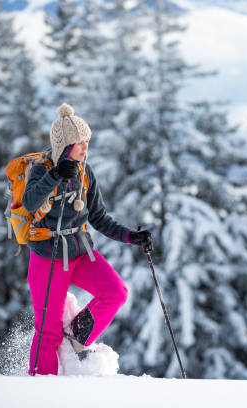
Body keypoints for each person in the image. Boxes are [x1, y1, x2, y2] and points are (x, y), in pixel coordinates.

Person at [22, 103, 152, 376]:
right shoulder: (41, 169)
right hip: (47, 258)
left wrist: (132, 236)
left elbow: (100, 218)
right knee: (47, 332)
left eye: (86, 141)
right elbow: (30, 202)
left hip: (81, 254)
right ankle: (39, 390)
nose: (84, 147)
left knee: (116, 292)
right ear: (64, 146)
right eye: (78, 143)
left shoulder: (84, 172)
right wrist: (54, 176)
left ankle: (74, 339)